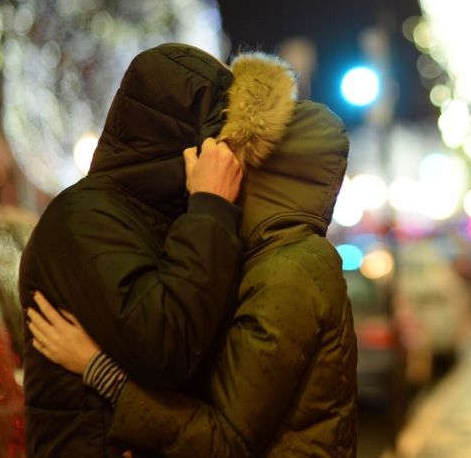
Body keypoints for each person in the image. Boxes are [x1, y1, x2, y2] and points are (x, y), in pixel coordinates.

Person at [26, 44, 358, 457]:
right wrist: (208, 209)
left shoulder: (286, 271)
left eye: (233, 149)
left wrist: (98, 369)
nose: (218, 155)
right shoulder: (85, 217)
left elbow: (222, 436)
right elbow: (175, 348)